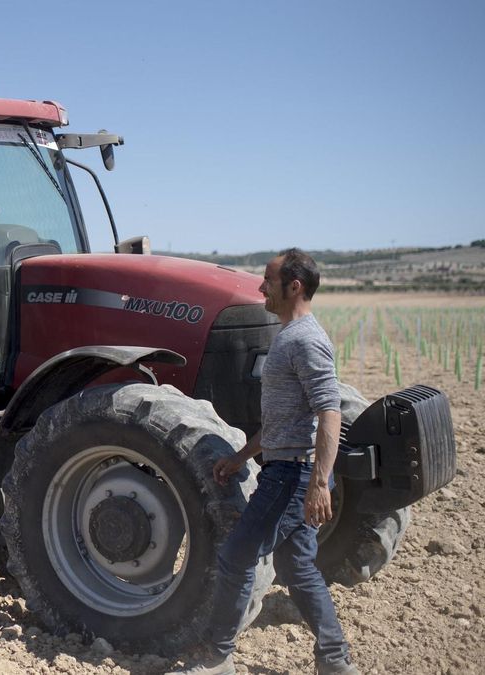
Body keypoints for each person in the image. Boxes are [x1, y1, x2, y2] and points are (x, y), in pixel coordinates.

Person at [169, 248, 358, 675]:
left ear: (294, 287)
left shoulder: (305, 339)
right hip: (288, 466)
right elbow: (285, 419)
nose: (260, 288)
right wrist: (241, 457)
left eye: (268, 281)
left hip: (293, 474)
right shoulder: (290, 337)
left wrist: (317, 482)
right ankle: (335, 659)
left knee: (235, 557)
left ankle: (216, 656)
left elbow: (329, 412)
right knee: (296, 566)